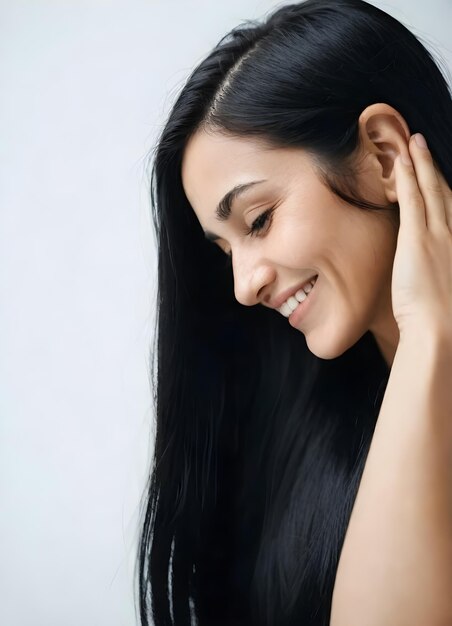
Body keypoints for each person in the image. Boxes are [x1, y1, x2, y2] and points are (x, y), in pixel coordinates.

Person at [136, 1, 452, 624]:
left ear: (383, 157)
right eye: (224, 250)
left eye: (258, 220)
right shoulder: (299, 438)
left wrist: (429, 331)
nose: (244, 287)